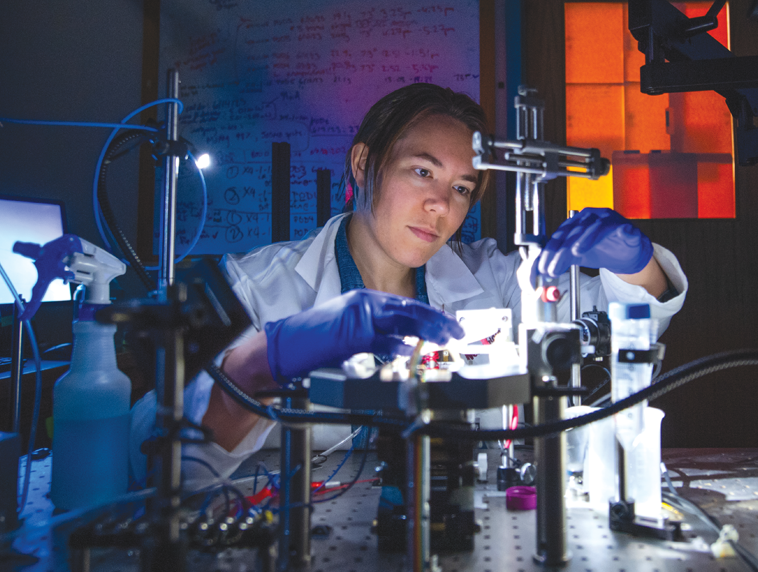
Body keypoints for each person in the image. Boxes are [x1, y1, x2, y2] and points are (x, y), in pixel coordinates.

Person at [130, 83, 687, 484]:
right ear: (363, 162)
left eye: (463, 188)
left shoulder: (493, 278)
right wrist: (264, 361)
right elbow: (155, 459)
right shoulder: (255, 287)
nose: (441, 205)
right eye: (422, 171)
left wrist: (635, 262)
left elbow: (614, 329)